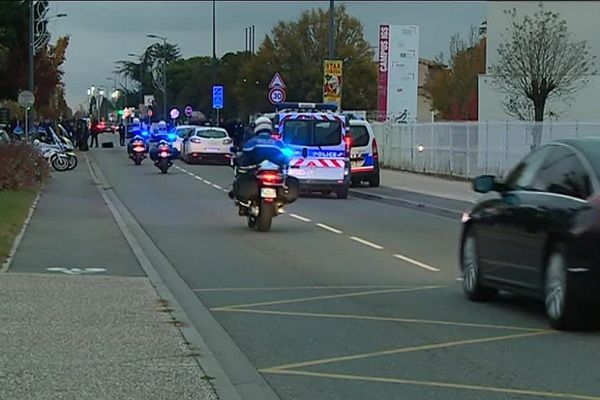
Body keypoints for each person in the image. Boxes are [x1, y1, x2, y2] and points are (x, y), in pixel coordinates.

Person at [229, 116, 293, 205]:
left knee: (242, 175)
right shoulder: (278, 143)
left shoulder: (252, 142)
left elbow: (244, 156)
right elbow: (287, 156)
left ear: (257, 127)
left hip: (257, 171)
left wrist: (238, 160)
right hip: (274, 172)